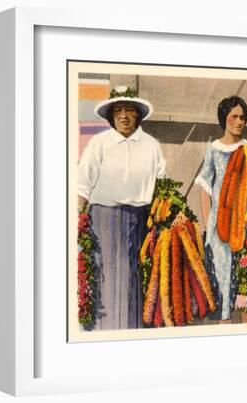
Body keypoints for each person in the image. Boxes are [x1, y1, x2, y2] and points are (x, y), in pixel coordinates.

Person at [77, 85, 166, 329]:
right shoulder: (100, 143)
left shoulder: (150, 145)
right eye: (118, 110)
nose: (124, 115)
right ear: (112, 115)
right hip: (102, 221)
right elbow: (81, 184)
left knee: (132, 282)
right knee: (104, 280)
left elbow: (163, 184)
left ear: (137, 114)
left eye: (129, 110)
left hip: (140, 222)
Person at [194, 96, 247, 324]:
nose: (239, 121)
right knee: (222, 285)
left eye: (242, 117)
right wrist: (208, 225)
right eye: (234, 116)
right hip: (220, 228)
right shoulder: (213, 150)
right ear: (224, 118)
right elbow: (205, 189)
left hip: (246, 225)